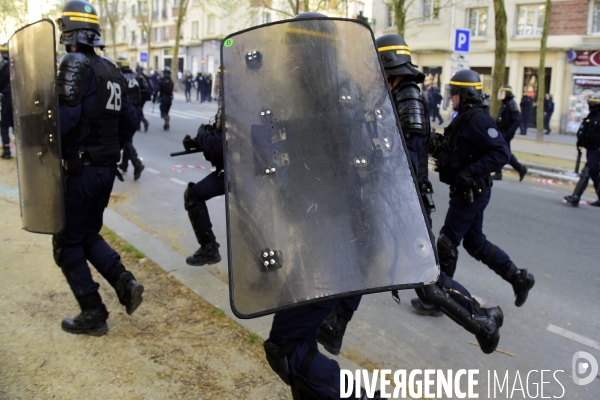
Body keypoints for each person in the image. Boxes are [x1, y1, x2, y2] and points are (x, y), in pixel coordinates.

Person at [319, 34, 503, 359]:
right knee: (363, 260)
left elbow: (404, 154)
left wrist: (370, 168)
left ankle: (482, 320)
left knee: (426, 280)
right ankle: (335, 328)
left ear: (388, 65)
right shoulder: (392, 94)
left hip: (404, 205)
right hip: (390, 200)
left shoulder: (407, 98)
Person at [54, 0, 144, 336]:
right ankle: (124, 281)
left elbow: (65, 122)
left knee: (66, 243)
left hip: (81, 172)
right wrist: (111, 150)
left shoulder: (74, 63)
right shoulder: (112, 69)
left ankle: (93, 311)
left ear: (68, 32)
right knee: (88, 233)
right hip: (105, 171)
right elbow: (130, 121)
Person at [428, 70, 535, 309]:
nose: (451, 98)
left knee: (447, 243)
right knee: (474, 243)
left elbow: (501, 153)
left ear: (464, 94)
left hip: (470, 193)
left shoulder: (478, 120)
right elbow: (457, 150)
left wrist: (470, 172)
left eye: (454, 93)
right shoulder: (464, 117)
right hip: (468, 192)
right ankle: (518, 278)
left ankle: (440, 301)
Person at [181, 72, 224, 266]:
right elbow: (221, 137)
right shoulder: (240, 98)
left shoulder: (234, 101)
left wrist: (201, 135)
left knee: (193, 196)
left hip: (241, 172)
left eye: (221, 79)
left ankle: (209, 249)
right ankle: (209, 249)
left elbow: (218, 146)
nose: (219, 84)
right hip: (239, 169)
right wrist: (198, 142)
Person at [564, 94, 600, 207]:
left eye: (594, 103)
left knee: (587, 171)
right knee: (594, 173)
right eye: (590, 103)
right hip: (590, 148)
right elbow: (584, 131)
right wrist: (580, 143)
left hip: (598, 150)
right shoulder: (590, 116)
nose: (591, 105)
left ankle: (576, 196)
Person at [116, 57, 145, 180]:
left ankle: (137, 163)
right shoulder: (137, 76)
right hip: (136, 110)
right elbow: (147, 91)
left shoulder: (119, 77)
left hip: (125, 110)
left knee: (125, 139)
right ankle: (124, 164)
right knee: (128, 138)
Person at [493, 84, 527, 181]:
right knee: (504, 153)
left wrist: (508, 133)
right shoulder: (506, 103)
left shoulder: (511, 103)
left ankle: (499, 173)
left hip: (505, 134)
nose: (501, 95)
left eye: (503, 93)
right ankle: (520, 169)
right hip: (502, 133)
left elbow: (517, 120)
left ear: (507, 94)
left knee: (501, 152)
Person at [0, 43, 13, 159]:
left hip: (7, 98)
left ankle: (6, 149)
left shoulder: (2, 66)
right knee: (19, 125)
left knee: (4, 125)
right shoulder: (16, 65)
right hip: (18, 99)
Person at [136, 65, 151, 132]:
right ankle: (138, 125)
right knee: (139, 110)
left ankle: (144, 121)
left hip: (139, 96)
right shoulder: (145, 77)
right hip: (144, 96)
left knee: (138, 110)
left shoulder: (137, 77)